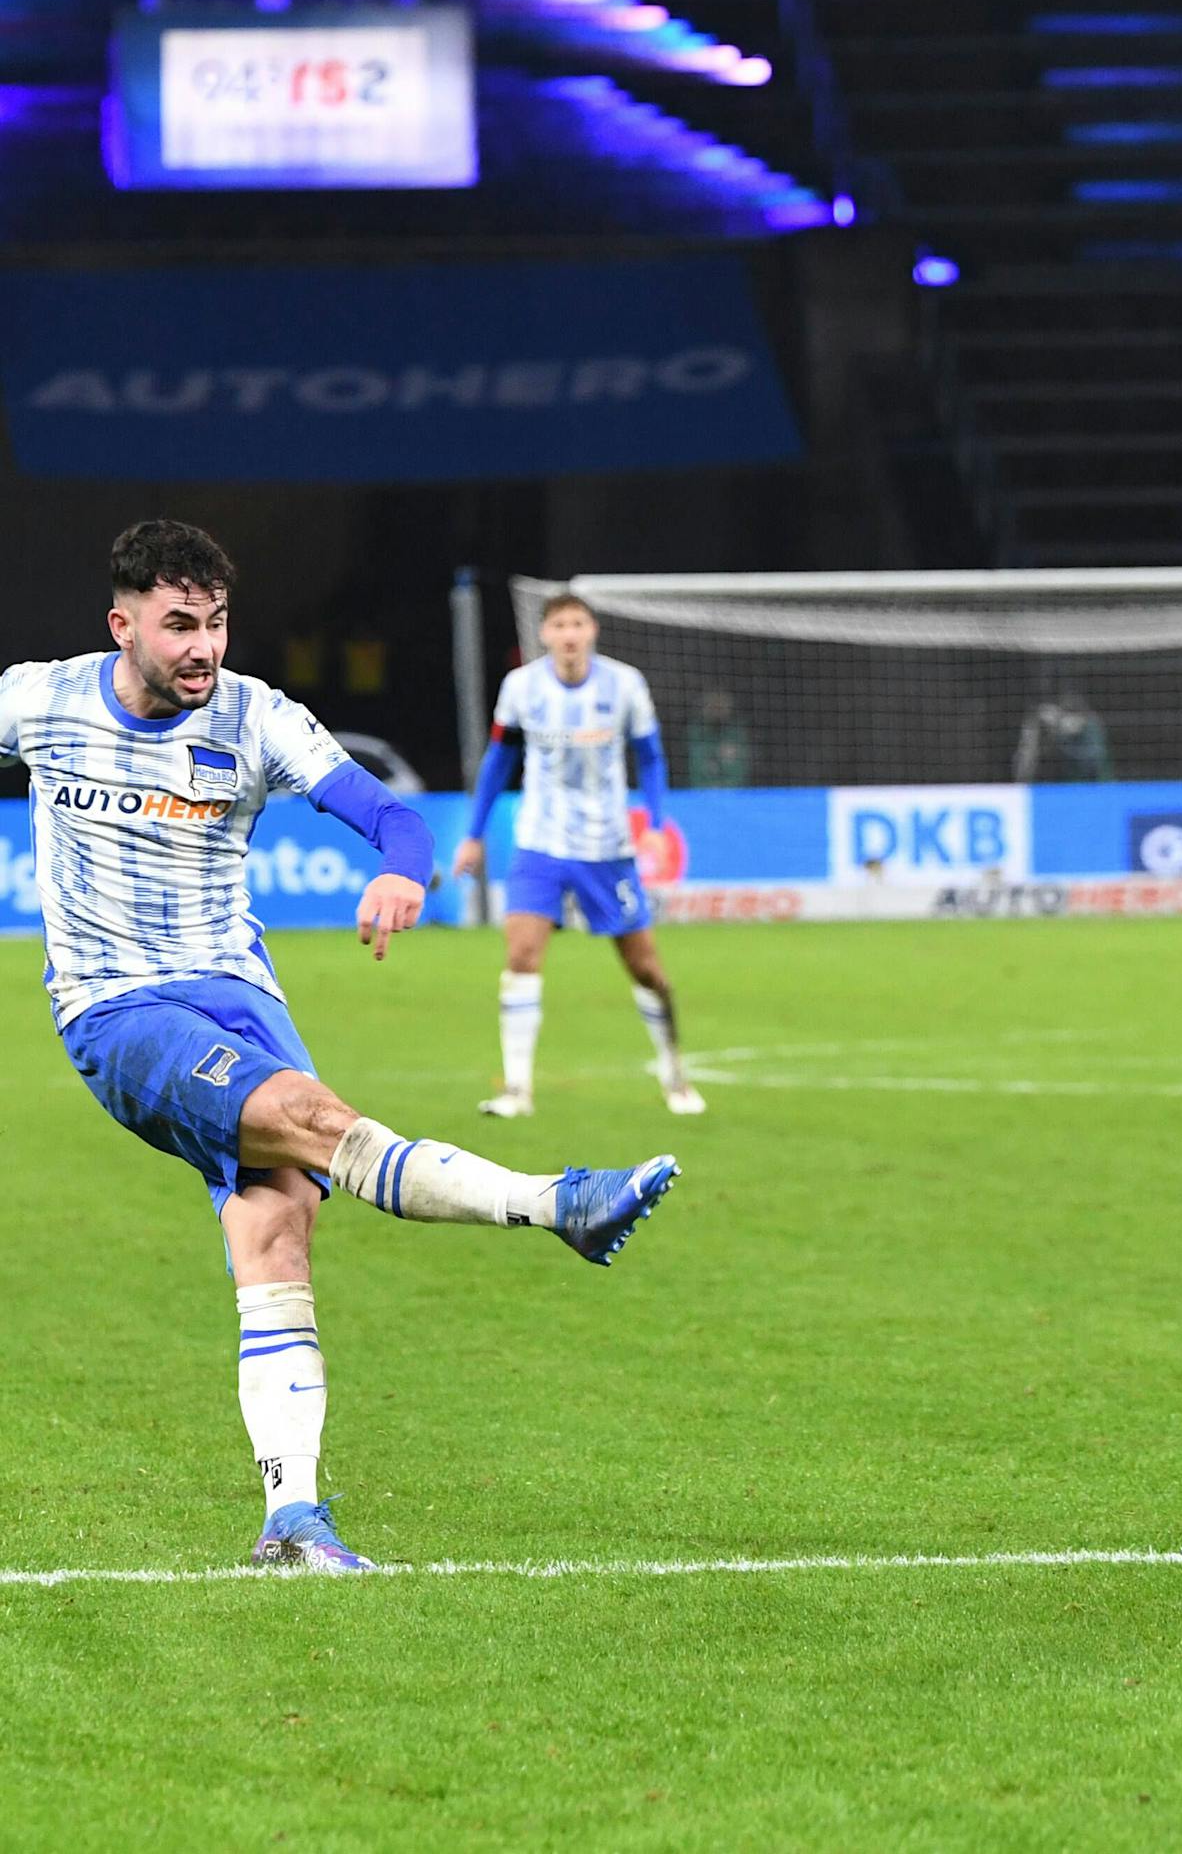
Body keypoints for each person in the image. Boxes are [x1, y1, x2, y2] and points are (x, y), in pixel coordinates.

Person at [0, 522, 680, 1574]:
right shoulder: (39, 700)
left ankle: (295, 1517)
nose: (203, 648)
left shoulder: (256, 714)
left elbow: (387, 816)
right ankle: (560, 1203)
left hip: (242, 996)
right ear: (121, 622)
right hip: (120, 1009)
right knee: (322, 1125)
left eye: (217, 623)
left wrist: (403, 870)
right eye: (179, 624)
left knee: (280, 1228)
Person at [451, 593, 704, 1119]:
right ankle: (517, 1091)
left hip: (607, 848)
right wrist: (474, 834)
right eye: (560, 625)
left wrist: (656, 825)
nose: (569, 634)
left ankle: (675, 1074)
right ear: (543, 635)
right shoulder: (522, 687)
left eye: (578, 624)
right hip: (539, 843)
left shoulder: (624, 684)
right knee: (521, 956)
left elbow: (651, 757)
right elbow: (499, 760)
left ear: (592, 631)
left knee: (646, 967)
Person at [1013, 693, 1112, 783]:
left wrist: (1059, 735)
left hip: (1095, 785)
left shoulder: (1091, 728)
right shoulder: (1054, 732)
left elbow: (1092, 760)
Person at [686, 688, 752, 789]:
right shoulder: (694, 733)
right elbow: (693, 771)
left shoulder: (737, 734)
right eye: (713, 706)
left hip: (734, 795)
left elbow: (740, 772)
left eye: (721, 706)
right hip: (699, 795)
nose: (717, 711)